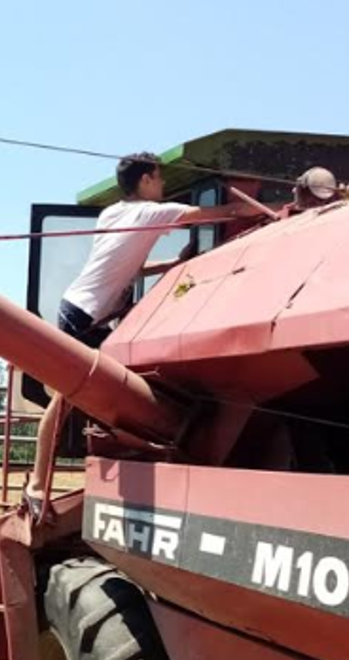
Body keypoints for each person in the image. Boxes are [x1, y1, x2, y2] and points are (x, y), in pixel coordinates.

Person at [24, 153, 264, 516]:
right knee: (69, 399)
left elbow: (128, 270)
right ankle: (37, 484)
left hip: (77, 307)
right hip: (87, 316)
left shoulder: (112, 214)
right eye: (160, 178)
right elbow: (225, 212)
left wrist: (174, 264)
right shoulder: (152, 213)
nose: (163, 185)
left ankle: (68, 477)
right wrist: (285, 208)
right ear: (146, 179)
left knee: (90, 393)